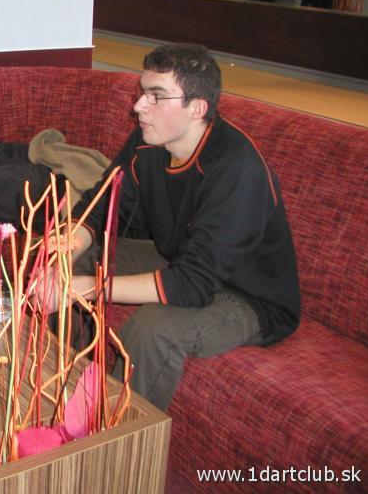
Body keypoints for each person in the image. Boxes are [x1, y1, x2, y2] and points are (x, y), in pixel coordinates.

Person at [40, 43, 300, 412]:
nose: (138, 106)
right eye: (142, 93)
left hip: (247, 296)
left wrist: (86, 288)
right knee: (73, 260)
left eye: (156, 96)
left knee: (152, 329)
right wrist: (68, 245)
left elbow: (193, 284)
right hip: (183, 260)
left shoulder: (237, 170)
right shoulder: (150, 140)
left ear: (197, 108)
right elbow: (103, 203)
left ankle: (119, 438)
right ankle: (60, 387)